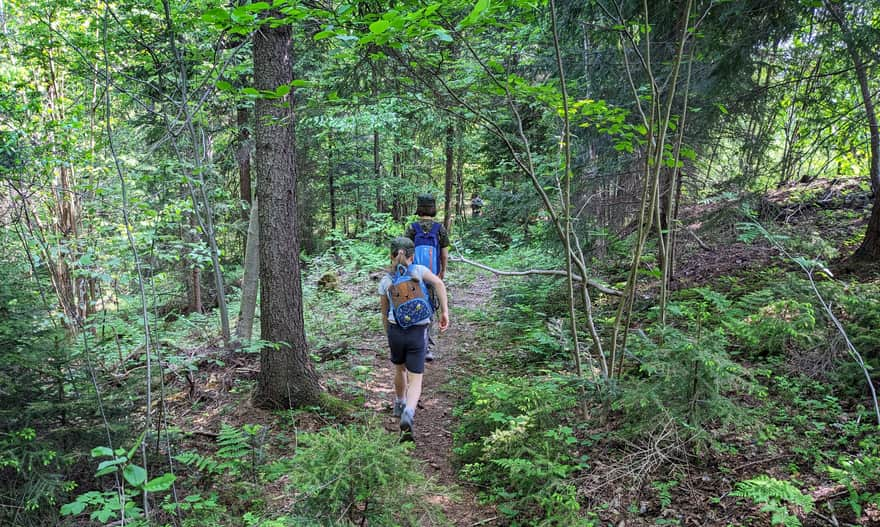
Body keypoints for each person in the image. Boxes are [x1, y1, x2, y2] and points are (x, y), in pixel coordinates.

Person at [378, 237, 450, 435]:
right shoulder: (419, 271)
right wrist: (445, 312)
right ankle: (409, 412)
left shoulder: (386, 281)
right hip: (418, 331)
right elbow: (439, 284)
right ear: (412, 256)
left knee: (399, 369)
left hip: (395, 330)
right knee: (416, 378)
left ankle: (399, 403)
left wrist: (389, 334)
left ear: (391, 255)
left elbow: (384, 313)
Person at [405, 194, 450, 362]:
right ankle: (427, 348)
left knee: (414, 305)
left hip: (414, 275)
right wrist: (442, 271)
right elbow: (444, 254)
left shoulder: (411, 228)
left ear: (419, 208)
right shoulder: (439, 229)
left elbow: (404, 252)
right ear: (433, 208)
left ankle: (414, 344)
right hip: (432, 274)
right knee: (430, 308)